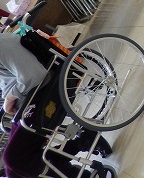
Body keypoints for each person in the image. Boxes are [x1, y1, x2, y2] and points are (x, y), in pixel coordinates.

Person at [0, 33, 111, 178]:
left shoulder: (2, 45)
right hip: (29, 102)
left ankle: (76, 161)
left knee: (14, 159)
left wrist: (10, 98)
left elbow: (35, 76)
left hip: (45, 94)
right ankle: (81, 149)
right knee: (13, 172)